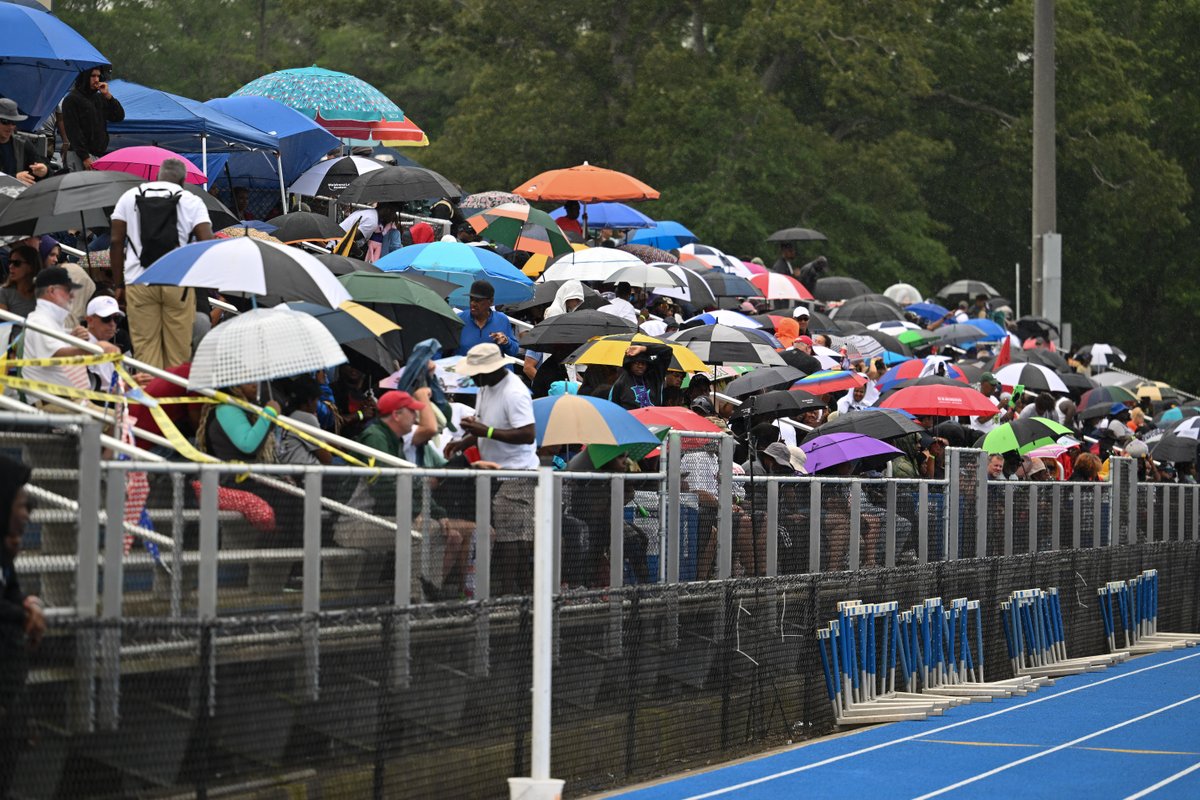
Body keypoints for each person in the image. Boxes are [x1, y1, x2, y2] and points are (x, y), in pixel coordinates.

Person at [445, 343, 538, 594]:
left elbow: (528, 434)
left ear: (490, 369)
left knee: (511, 539)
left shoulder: (515, 392)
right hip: (494, 471)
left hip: (516, 473)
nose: (473, 377)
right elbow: (484, 425)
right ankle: (522, 596)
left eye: (476, 371)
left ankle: (511, 595)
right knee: (508, 536)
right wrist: (463, 442)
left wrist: (484, 431)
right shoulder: (485, 387)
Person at [110, 157, 214, 370]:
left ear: (157, 176)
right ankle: (171, 401)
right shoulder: (191, 201)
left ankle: (149, 399)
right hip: (177, 283)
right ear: (183, 181)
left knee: (146, 352)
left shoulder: (129, 197)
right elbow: (207, 241)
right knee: (178, 354)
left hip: (138, 283)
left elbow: (115, 241)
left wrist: (118, 284)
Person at [1, 456, 45, 799]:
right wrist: (20, 615)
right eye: (20, 505)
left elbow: (10, 591)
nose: (26, 514)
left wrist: (27, 605)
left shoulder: (5, 551)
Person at [22, 267, 120, 399]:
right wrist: (96, 348)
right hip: (55, 403)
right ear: (51, 291)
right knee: (127, 419)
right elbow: (57, 354)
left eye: (116, 319)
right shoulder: (39, 319)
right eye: (68, 290)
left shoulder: (50, 321)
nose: (73, 295)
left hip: (68, 400)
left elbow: (55, 350)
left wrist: (72, 339)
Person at [61, 66, 125, 172]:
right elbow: (73, 131)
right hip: (80, 155)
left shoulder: (99, 98)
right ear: (85, 77)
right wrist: (85, 157)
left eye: (98, 76)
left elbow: (118, 116)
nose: (96, 79)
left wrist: (108, 96)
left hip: (98, 153)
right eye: (93, 76)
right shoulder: (71, 99)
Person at [455, 279, 519, 358]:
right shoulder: (458, 319)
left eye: (478, 300)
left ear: (491, 301)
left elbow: (514, 350)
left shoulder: (502, 319)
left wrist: (506, 341)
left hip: (495, 369)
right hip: (465, 369)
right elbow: (444, 350)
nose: (473, 303)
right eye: (471, 299)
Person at [0, 99, 52, 186]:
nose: (10, 127)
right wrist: (14, 178)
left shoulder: (22, 143)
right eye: (5, 122)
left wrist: (44, 171)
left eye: (13, 122)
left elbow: (39, 168)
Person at [0, 245, 40, 317]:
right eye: (10, 262)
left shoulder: (42, 294)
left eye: (16, 263)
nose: (11, 266)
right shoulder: (4, 293)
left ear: (31, 266)